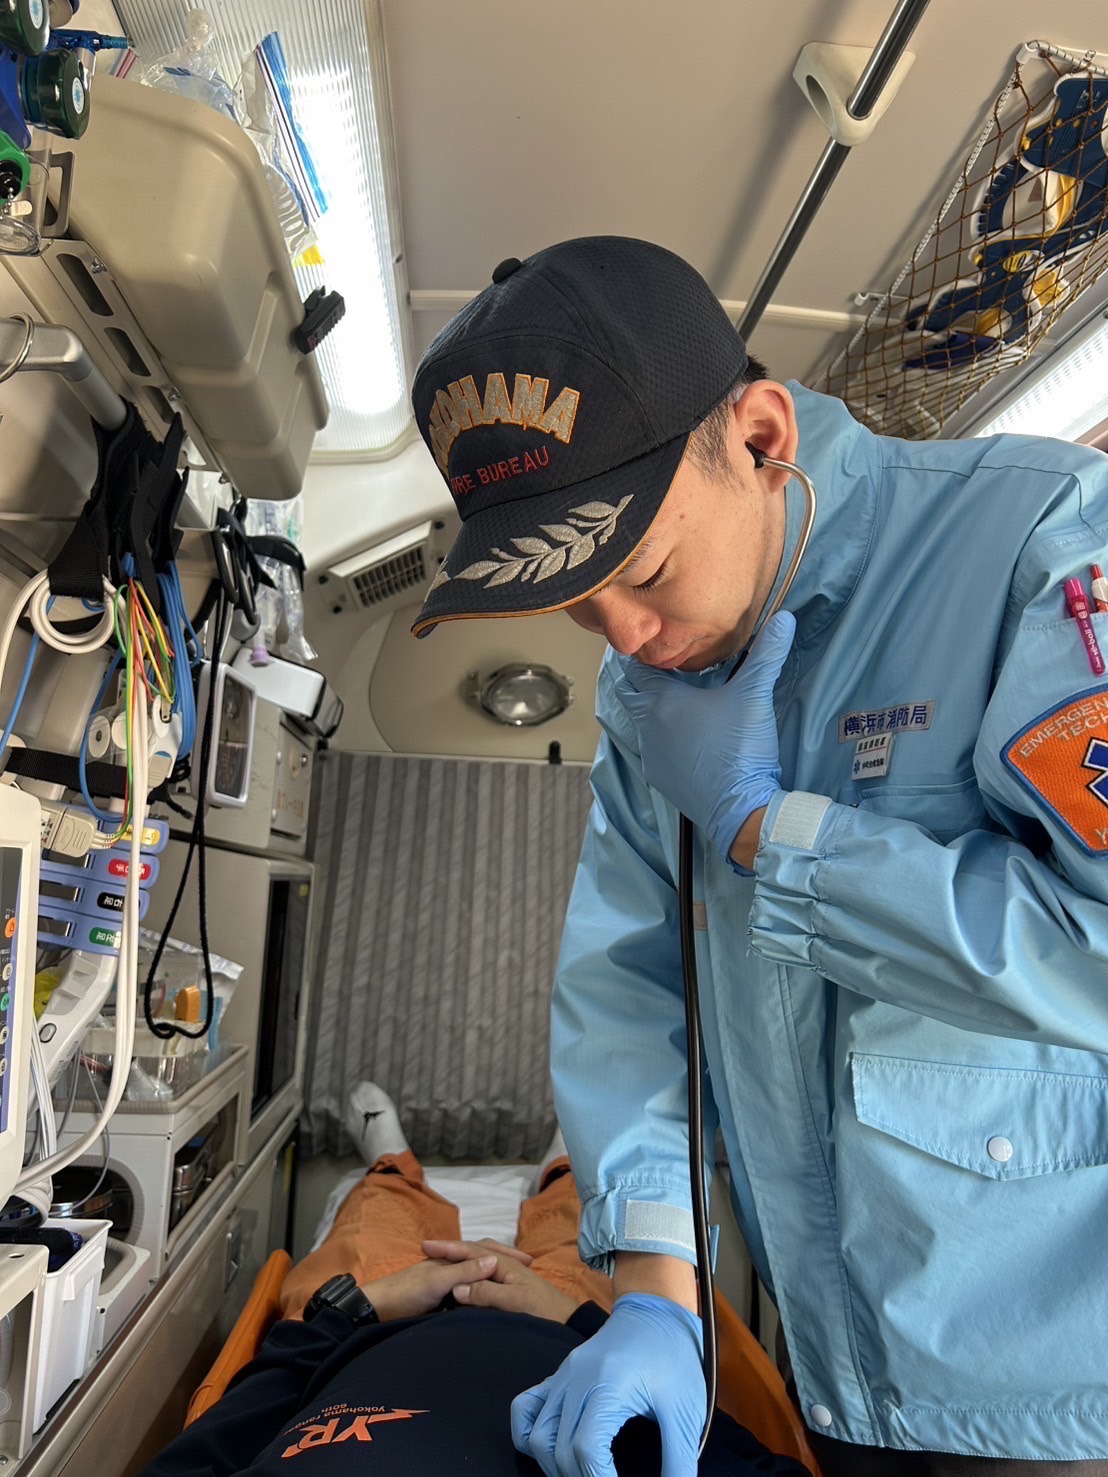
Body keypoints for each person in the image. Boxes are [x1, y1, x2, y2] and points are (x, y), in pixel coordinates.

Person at [407, 235, 1108, 1476]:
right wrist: (655, 1294)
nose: (624, 635)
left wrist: (765, 836)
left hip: (1063, 1390)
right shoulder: (649, 691)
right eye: (575, 599)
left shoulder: (1039, 540)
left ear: (761, 436)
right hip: (835, 1371)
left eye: (645, 569)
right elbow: (630, 991)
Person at [138, 1083, 811, 1476]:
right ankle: (565, 1171)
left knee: (373, 1223)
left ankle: (394, 1168)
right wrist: (584, 1322)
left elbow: (217, 1435)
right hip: (580, 1335)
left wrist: (353, 1306)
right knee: (583, 1229)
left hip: (370, 1326)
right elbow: (742, 1451)